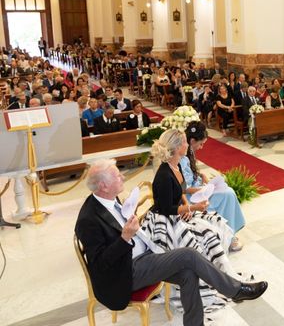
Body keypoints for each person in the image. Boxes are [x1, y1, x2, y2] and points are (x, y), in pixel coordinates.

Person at [74, 160, 267, 326]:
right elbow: (100, 264)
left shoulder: (109, 198)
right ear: (103, 186)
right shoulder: (88, 219)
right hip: (124, 273)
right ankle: (235, 290)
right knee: (188, 254)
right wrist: (125, 238)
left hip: (143, 256)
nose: (123, 178)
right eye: (117, 176)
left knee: (188, 273)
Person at [141, 130, 244, 306]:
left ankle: (227, 278)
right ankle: (220, 283)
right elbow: (166, 209)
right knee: (205, 236)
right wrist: (192, 207)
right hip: (164, 222)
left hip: (178, 213)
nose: (187, 145)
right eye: (184, 142)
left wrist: (187, 207)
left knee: (215, 223)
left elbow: (180, 191)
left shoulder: (177, 165)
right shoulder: (164, 175)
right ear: (176, 147)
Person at [180, 122, 246, 247]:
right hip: (190, 198)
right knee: (227, 195)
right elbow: (184, 187)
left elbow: (190, 174)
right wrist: (203, 189)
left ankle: (227, 233)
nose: (202, 147)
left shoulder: (190, 150)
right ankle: (228, 237)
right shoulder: (183, 157)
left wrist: (201, 176)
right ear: (192, 141)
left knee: (228, 191)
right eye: (201, 144)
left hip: (198, 190)